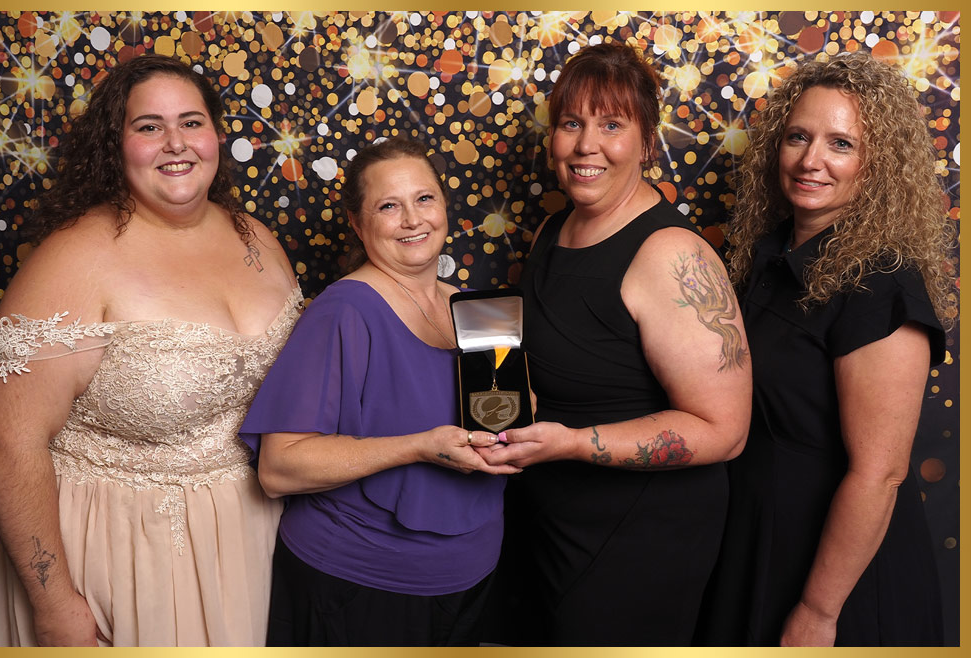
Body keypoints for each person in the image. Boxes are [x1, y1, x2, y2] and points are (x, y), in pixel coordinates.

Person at [0, 54, 302, 646]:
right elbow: (8, 441)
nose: (175, 143)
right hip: (120, 550)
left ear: (216, 134)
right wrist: (54, 604)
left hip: (251, 535)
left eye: (191, 121)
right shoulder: (74, 258)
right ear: (116, 143)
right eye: (148, 126)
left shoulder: (254, 236)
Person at [477, 41, 752, 645]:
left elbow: (724, 430)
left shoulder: (673, 256)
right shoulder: (555, 228)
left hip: (639, 536)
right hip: (547, 518)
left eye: (612, 125)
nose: (585, 146)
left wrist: (573, 443)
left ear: (648, 142)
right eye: (571, 123)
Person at [696, 52, 955, 646]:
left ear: (878, 165)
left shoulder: (881, 283)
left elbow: (880, 473)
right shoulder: (763, 258)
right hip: (754, 540)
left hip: (836, 575)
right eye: (798, 137)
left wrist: (817, 611)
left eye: (841, 144)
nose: (811, 161)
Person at [238, 136, 518, 646]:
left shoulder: (480, 310)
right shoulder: (345, 310)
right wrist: (418, 447)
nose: (413, 219)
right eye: (389, 206)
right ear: (358, 223)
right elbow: (279, 469)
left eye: (424, 199)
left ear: (444, 207)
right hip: (363, 583)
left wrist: (521, 422)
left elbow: (499, 419)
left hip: (473, 577)